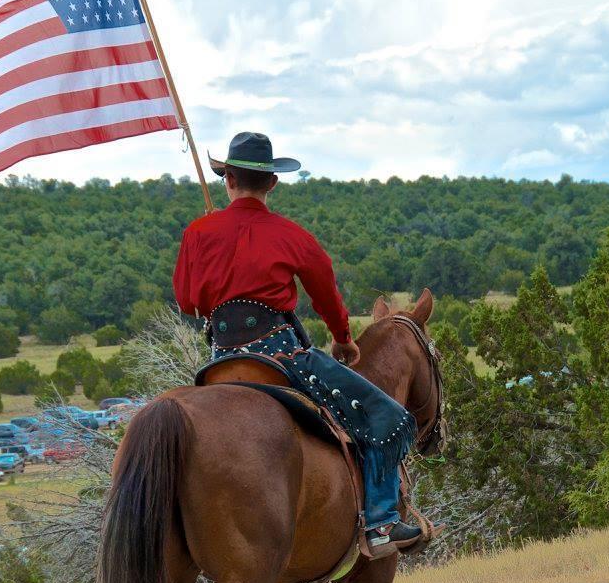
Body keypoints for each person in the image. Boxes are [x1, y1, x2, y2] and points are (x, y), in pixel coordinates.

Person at [173, 132, 422, 558]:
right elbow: (325, 291)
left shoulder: (199, 232)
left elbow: (188, 301)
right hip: (282, 356)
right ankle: (380, 523)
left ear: (227, 179)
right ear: (272, 183)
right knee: (392, 419)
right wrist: (343, 340)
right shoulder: (291, 234)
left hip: (220, 362)